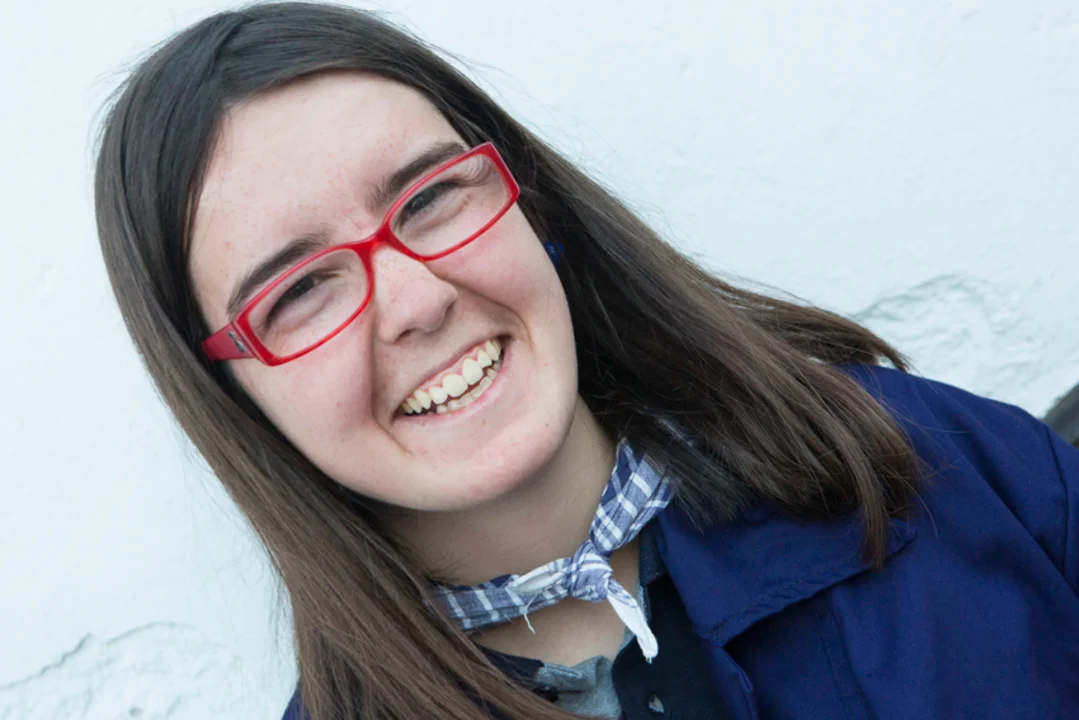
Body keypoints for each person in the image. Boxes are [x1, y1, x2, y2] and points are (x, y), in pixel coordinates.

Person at [93, 3, 1079, 719]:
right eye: (299, 289)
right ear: (233, 396)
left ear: (527, 200)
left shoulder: (932, 463)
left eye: (429, 198)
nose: (418, 300)